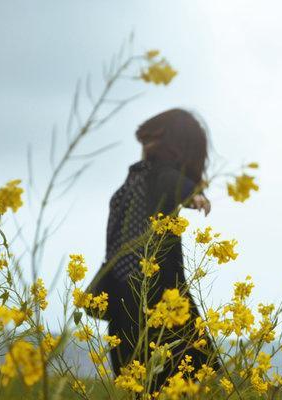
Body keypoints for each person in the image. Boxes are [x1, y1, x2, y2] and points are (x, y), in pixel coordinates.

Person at [86, 108, 218, 388]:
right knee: (140, 384)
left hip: (157, 299)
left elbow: (174, 183)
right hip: (126, 295)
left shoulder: (161, 174)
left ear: (174, 146)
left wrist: (195, 196)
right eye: (144, 141)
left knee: (168, 384)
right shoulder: (138, 174)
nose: (146, 147)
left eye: (153, 140)